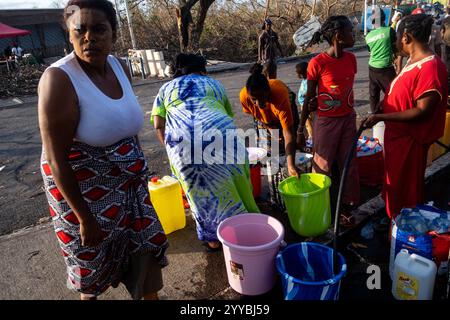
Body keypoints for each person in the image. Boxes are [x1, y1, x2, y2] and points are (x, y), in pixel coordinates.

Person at [38, 0, 168, 300]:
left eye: (99, 29)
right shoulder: (58, 79)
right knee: (92, 275)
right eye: (79, 30)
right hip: (84, 200)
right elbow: (56, 160)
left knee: (145, 258)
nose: (89, 38)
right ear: (69, 35)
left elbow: (123, 126)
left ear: (114, 33)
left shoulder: (120, 66)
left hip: (130, 193)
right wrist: (84, 217)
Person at [152, 53, 260, 251]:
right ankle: (248, 228)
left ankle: (213, 239)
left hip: (182, 143)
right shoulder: (214, 84)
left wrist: (171, 150)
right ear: (202, 69)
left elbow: (159, 125)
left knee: (199, 192)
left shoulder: (165, 89)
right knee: (237, 182)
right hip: (220, 135)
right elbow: (226, 115)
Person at [363, 13, 448, 219]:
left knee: (405, 189)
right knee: (395, 186)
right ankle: (396, 220)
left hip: (410, 142)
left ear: (406, 37)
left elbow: (422, 111)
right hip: (397, 139)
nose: (395, 42)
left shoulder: (431, 68)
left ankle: (404, 230)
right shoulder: (413, 59)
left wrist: (382, 118)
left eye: (397, 37)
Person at [299, 15, 361, 226]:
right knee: (322, 165)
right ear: (338, 36)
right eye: (350, 31)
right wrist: (300, 129)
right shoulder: (317, 63)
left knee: (349, 163)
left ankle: (346, 206)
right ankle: (320, 208)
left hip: (348, 119)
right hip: (326, 121)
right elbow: (308, 97)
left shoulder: (351, 59)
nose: (354, 34)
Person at [240, 63, 300, 208]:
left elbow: (288, 133)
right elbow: (258, 116)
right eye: (254, 99)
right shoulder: (245, 97)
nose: (259, 103)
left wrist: (291, 164)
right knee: (270, 155)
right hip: (266, 119)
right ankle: (276, 199)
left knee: (285, 152)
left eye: (262, 98)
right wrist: (269, 130)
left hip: (284, 106)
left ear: (268, 92)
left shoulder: (280, 96)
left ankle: (289, 190)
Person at [365, 6, 398, 114]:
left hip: (372, 68)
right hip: (386, 69)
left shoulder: (368, 36)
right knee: (393, 92)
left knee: (373, 94)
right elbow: (395, 48)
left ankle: (374, 115)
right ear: (384, 18)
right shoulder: (389, 31)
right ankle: (394, 113)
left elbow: (370, 51)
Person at [295, 61, 313, 140]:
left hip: (307, 105)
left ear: (301, 74)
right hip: (304, 104)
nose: (297, 75)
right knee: (308, 123)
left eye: (298, 73)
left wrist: (305, 95)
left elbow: (309, 92)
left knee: (309, 123)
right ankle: (311, 136)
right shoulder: (305, 79)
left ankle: (312, 138)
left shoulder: (309, 80)